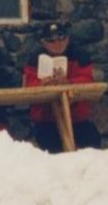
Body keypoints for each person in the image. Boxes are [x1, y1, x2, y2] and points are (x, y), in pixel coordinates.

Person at [23, 23, 101, 152]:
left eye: (61, 38)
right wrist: (42, 85)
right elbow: (28, 86)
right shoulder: (34, 59)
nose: (57, 43)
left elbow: (87, 80)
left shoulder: (79, 55)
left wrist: (68, 83)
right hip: (46, 119)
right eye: (51, 40)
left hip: (76, 118)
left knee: (92, 144)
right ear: (44, 43)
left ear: (68, 39)